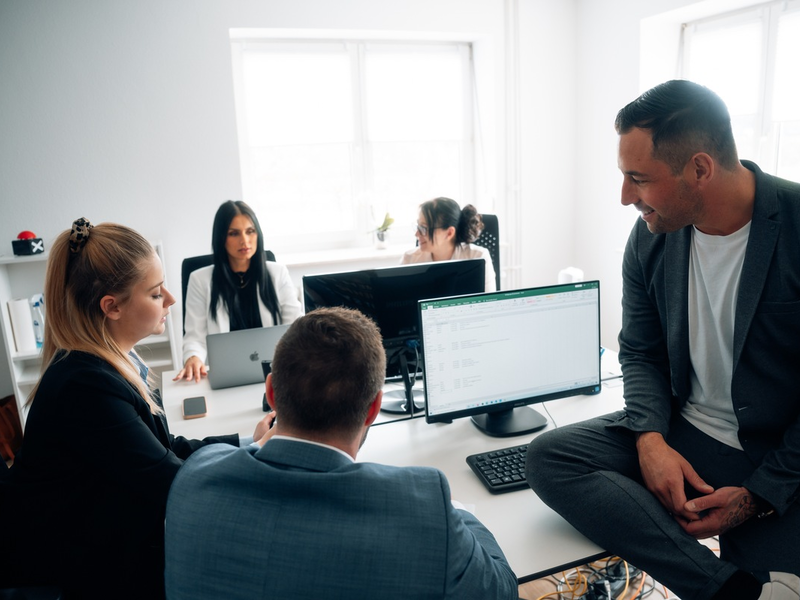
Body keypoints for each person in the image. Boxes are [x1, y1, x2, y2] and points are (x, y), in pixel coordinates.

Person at [526, 80, 800, 600]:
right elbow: (641, 350)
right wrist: (650, 439)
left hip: (778, 450)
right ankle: (723, 589)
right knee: (547, 457)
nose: (626, 197)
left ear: (700, 168)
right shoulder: (652, 234)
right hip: (683, 424)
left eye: (638, 179)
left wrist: (758, 498)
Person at [0, 219, 275, 599]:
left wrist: (249, 442)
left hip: (110, 539)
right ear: (111, 307)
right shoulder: (85, 386)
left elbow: (165, 449)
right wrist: (259, 462)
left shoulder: (111, 364)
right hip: (86, 567)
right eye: (155, 293)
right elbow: (172, 481)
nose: (170, 299)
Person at [164, 307, 518, 600]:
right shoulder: (424, 507)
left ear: (271, 392)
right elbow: (503, 589)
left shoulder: (194, 477)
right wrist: (450, 511)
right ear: (374, 408)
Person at [176, 200, 301, 382]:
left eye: (250, 231)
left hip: (276, 374)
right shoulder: (199, 280)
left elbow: (295, 327)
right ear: (221, 238)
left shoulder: (278, 273)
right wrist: (193, 357)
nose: (245, 240)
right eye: (234, 233)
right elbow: (195, 337)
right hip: (227, 376)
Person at [402, 197, 497, 292]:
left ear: (449, 233)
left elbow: (490, 302)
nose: (417, 234)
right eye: (418, 226)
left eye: (424, 228)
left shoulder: (479, 257)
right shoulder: (410, 259)